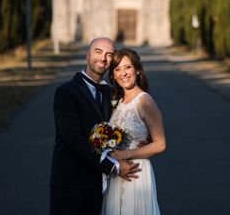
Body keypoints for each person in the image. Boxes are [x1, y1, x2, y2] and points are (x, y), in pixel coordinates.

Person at [50, 37, 141, 215]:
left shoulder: (110, 92)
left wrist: (139, 142)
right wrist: (112, 166)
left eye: (109, 54)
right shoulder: (66, 92)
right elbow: (73, 139)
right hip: (70, 183)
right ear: (87, 55)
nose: (103, 58)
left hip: (99, 185)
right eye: (98, 52)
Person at [102, 48, 166, 215]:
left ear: (137, 70)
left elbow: (160, 144)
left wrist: (123, 155)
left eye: (127, 67)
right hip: (117, 173)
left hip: (136, 173)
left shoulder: (145, 101)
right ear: (113, 76)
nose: (123, 73)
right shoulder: (117, 102)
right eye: (117, 69)